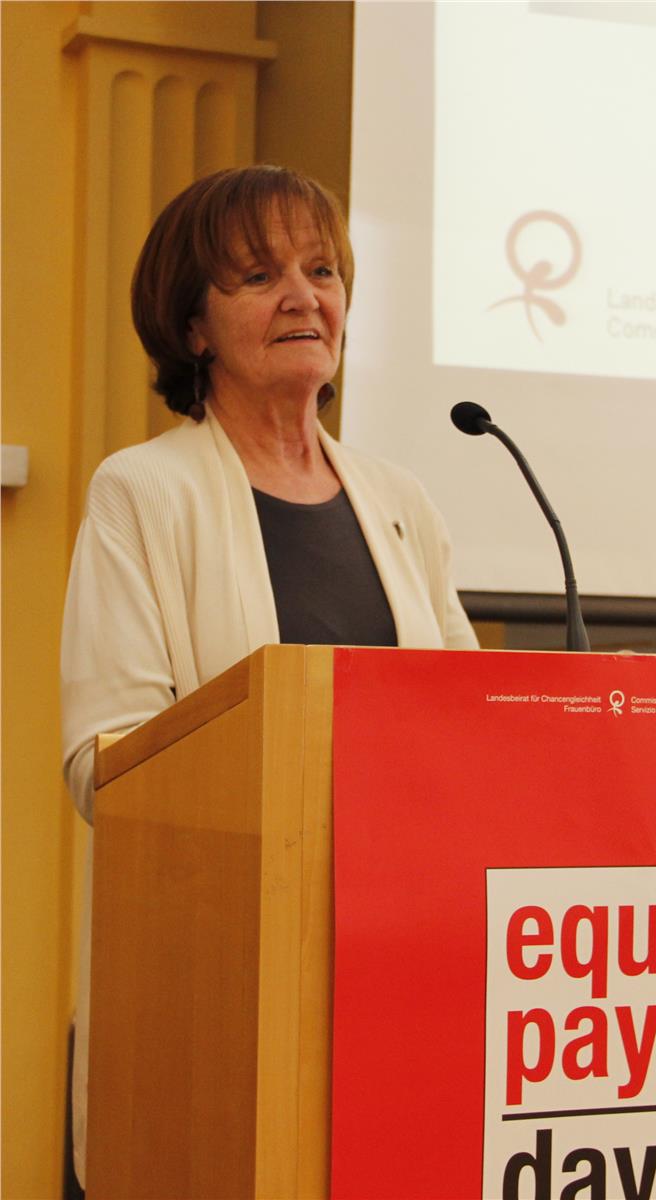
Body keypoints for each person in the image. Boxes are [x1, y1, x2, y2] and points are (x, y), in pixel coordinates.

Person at [60, 164, 478, 1187]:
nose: (303, 296)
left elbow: (472, 732)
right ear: (193, 328)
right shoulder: (142, 494)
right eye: (259, 276)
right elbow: (104, 761)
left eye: (321, 270)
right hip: (218, 981)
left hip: (399, 967)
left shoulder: (399, 500)